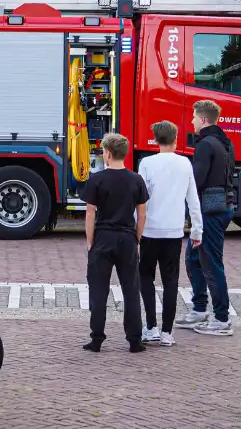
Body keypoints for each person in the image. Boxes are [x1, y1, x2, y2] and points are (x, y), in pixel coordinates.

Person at [81, 133, 148, 353]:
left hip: (103, 237)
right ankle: (135, 340)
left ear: (107, 154)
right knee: (131, 290)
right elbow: (142, 213)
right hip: (127, 237)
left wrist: (90, 242)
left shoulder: (97, 180)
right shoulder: (136, 180)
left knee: (99, 290)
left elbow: (90, 213)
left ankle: (97, 339)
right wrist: (136, 237)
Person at [137, 121, 202, 347]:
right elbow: (193, 200)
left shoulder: (146, 163)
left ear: (155, 140)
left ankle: (151, 326)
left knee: (145, 276)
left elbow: (140, 197)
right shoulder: (185, 163)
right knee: (171, 280)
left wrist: (135, 226)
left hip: (150, 230)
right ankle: (167, 331)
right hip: (174, 230)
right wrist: (196, 229)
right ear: (176, 139)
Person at [175, 99, 236, 336]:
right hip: (222, 206)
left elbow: (195, 181)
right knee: (193, 258)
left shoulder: (204, 145)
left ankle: (222, 320)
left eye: (193, 117)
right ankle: (199, 309)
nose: (191, 121)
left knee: (211, 263)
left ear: (202, 119)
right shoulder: (225, 142)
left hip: (209, 212)